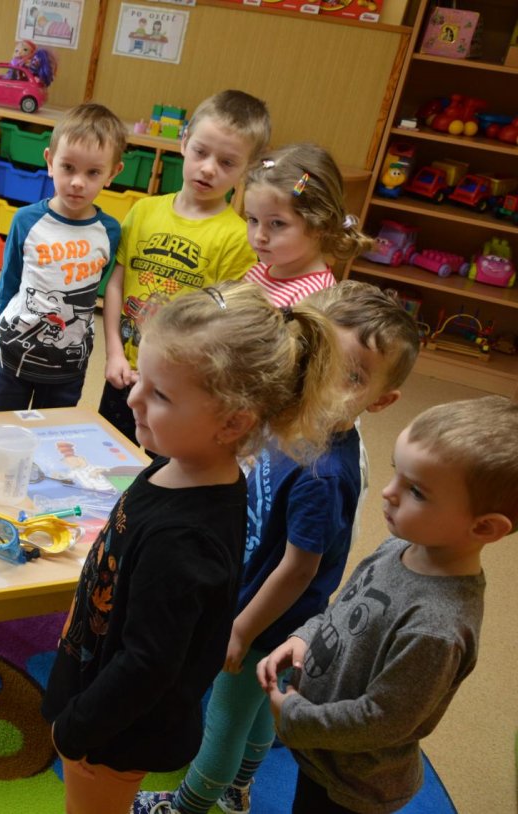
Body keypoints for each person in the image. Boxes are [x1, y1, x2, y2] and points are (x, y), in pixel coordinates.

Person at [42, 281, 347, 814]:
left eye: (160, 395)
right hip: (97, 680)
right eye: (141, 377)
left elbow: (147, 666)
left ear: (232, 422)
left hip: (114, 731)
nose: (133, 398)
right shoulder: (182, 465)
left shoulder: (185, 541)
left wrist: (75, 730)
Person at [133, 280, 420, 814]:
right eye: (319, 359)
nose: (324, 381)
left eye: (352, 376)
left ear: (381, 401)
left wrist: (242, 630)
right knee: (261, 706)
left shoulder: (322, 473)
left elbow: (297, 569)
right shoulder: (291, 422)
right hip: (258, 600)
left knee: (224, 717)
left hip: (269, 620)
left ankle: (188, 805)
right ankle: (240, 785)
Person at [256, 395, 518, 814]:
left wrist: (296, 717)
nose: (387, 492)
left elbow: (381, 719)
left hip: (354, 784)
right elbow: (344, 608)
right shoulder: (401, 545)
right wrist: (304, 637)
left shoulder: (436, 628)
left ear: (484, 527)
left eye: (416, 491)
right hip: (322, 751)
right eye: (397, 472)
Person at [98, 89, 270, 445]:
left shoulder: (238, 239)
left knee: (163, 465)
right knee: (106, 457)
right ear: (184, 141)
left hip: (178, 390)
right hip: (124, 372)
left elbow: (223, 327)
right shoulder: (143, 211)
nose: (208, 168)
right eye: (201, 152)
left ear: (248, 169)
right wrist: (114, 351)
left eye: (227, 163)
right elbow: (116, 284)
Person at [0, 102, 124, 412]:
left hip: (67, 366)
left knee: (53, 433)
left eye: (93, 172)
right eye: (68, 167)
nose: (77, 182)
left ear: (112, 173)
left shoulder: (110, 231)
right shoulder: (26, 220)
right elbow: (9, 282)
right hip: (12, 356)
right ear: (50, 161)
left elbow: (93, 290)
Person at [242, 143, 373, 307]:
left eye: (277, 223)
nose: (259, 236)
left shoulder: (314, 297)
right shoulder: (259, 271)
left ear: (320, 224)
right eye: (253, 220)